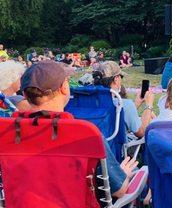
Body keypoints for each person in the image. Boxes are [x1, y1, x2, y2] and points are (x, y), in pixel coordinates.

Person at [19, 60, 137, 198]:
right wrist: (123, 174)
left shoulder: (8, 131)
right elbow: (119, 190)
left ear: (25, 95)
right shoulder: (85, 133)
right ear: (64, 88)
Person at [93, 61, 155, 138]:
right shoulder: (123, 104)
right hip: (114, 148)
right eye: (120, 77)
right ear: (116, 79)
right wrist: (149, 105)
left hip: (89, 146)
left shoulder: (85, 103)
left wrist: (135, 104)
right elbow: (142, 132)